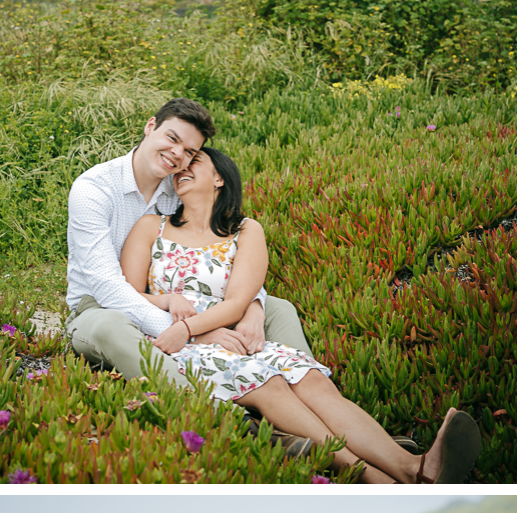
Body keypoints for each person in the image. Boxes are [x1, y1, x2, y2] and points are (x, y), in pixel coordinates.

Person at [120, 146, 482, 484]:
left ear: (220, 179)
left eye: (194, 161)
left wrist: (230, 317)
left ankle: (414, 468)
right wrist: (172, 307)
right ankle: (375, 477)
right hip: (174, 339)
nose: (182, 167)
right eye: (179, 166)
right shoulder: (153, 226)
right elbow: (126, 295)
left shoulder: (245, 230)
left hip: (231, 334)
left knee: (310, 379)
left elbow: (237, 300)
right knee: (267, 382)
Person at [65, 97, 315, 456]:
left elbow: (220, 251)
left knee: (279, 308)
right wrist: (198, 333)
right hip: (102, 306)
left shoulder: (177, 187)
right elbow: (108, 287)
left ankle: (314, 413)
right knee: (110, 325)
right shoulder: (94, 189)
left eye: (189, 151)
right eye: (171, 138)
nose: (176, 154)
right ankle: (230, 423)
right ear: (150, 127)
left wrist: (254, 306)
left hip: (180, 304)